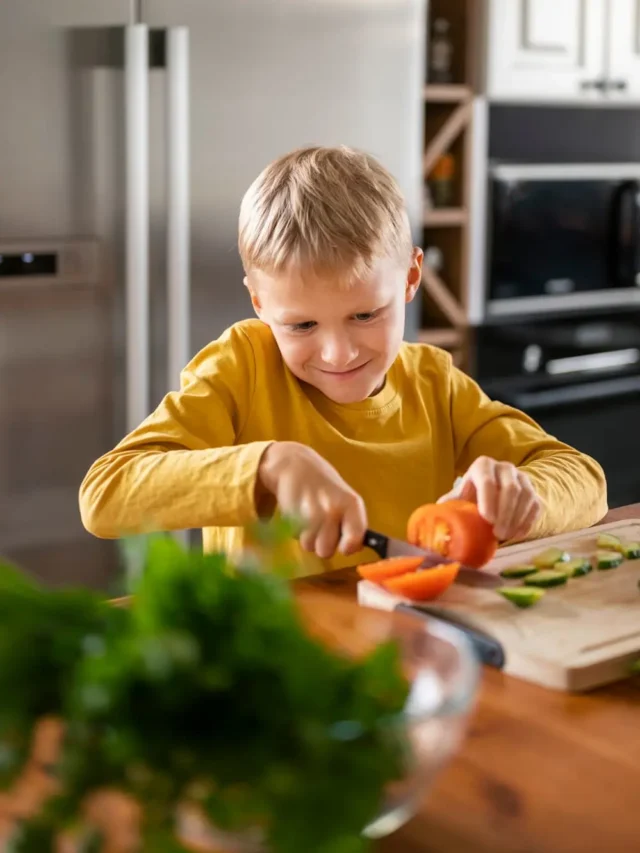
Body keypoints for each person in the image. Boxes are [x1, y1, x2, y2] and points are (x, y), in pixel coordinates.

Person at [79, 145, 607, 576]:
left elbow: (586, 481)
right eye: (301, 325)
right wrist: (268, 466)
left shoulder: (434, 383)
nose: (339, 353)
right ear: (259, 303)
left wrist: (524, 494)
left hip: (416, 649)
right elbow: (105, 495)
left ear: (410, 278)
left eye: (365, 314)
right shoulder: (242, 368)